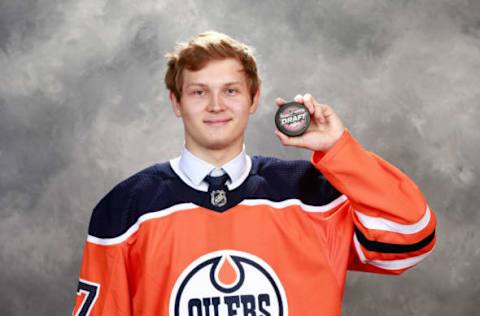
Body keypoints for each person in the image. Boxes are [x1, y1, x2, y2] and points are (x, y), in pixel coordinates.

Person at [73, 31, 436, 316]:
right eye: (199, 92)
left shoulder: (312, 195)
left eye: (230, 91)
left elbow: (411, 238)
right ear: (176, 102)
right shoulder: (126, 208)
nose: (216, 105)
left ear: (254, 98)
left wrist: (338, 148)